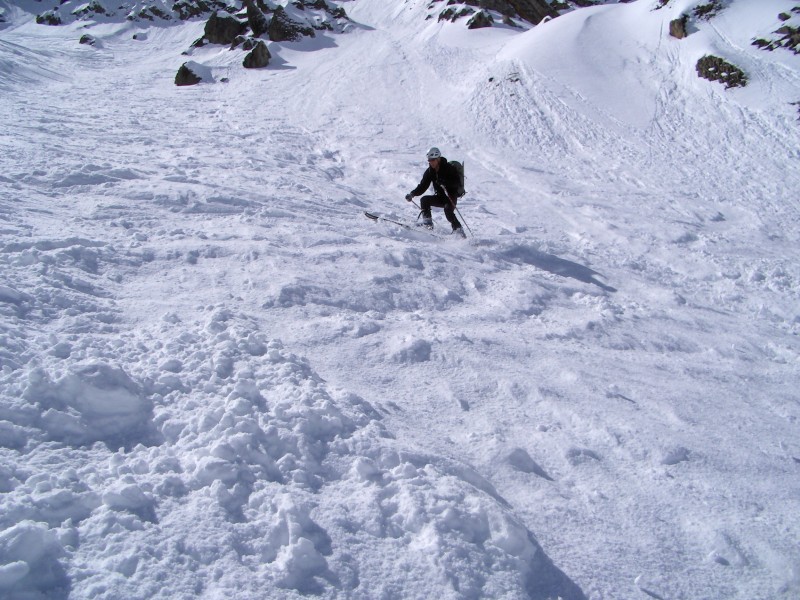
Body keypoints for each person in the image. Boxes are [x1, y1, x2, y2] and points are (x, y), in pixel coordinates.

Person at [405, 147, 466, 238]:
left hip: (450, 196)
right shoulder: (430, 171)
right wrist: (412, 194)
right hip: (440, 196)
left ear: (438, 159)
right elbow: (423, 185)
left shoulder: (449, 168)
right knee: (425, 200)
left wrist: (445, 182)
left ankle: (459, 231)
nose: (430, 162)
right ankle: (428, 224)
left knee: (448, 210)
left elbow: (456, 183)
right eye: (429, 160)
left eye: (432, 160)